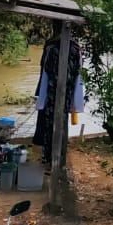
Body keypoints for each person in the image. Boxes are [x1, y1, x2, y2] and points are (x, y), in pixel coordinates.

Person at [33, 33, 84, 167]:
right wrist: (76, 102)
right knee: (58, 125)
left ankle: (51, 158)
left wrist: (41, 97)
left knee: (50, 125)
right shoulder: (75, 50)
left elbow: (45, 74)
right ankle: (56, 158)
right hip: (65, 94)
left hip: (52, 94)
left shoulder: (53, 49)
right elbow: (79, 76)